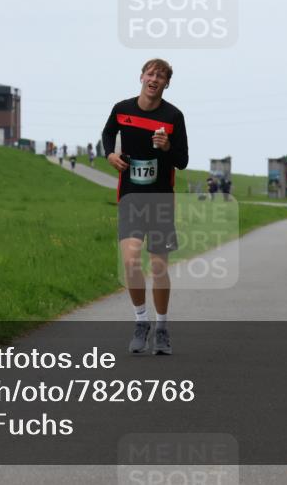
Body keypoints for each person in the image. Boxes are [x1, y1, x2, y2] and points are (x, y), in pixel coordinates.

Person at [102, 59, 188, 355]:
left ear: (166, 84)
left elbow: (183, 160)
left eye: (161, 76)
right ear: (141, 77)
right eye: (150, 74)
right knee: (130, 260)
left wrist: (166, 147)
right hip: (131, 197)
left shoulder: (174, 116)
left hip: (161, 198)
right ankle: (141, 321)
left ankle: (162, 328)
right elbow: (107, 134)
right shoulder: (122, 109)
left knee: (159, 266)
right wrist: (109, 156)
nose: (154, 79)